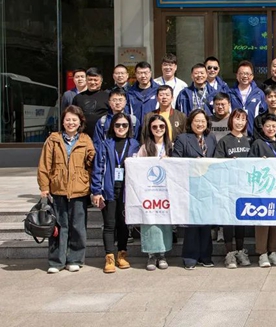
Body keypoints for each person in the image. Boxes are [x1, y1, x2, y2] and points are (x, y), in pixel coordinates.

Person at [37, 105, 95, 273]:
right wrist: (44, 187)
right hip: (58, 189)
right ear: (62, 122)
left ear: (80, 122)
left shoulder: (85, 139)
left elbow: (92, 164)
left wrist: (89, 180)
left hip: (79, 190)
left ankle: (75, 259)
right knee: (58, 227)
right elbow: (44, 165)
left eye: (74, 120)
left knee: (78, 227)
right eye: (67, 119)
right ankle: (56, 261)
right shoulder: (53, 139)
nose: (71, 123)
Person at [91, 112, 140, 273]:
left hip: (127, 191)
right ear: (112, 127)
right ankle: (109, 257)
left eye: (124, 125)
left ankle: (122, 254)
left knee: (124, 224)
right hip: (109, 190)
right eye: (118, 125)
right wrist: (96, 191)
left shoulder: (134, 144)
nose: (121, 128)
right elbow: (98, 169)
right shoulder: (105, 144)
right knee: (109, 225)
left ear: (129, 127)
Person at [172, 109, 218, 269]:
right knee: (192, 224)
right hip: (190, 185)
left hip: (207, 185)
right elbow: (176, 161)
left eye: (203, 121)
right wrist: (193, 163)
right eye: (197, 121)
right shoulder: (183, 138)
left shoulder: (211, 138)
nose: (200, 124)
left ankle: (205, 256)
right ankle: (190, 257)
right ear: (190, 122)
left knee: (205, 223)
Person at [214, 108, 253, 269]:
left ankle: (240, 251)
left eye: (243, 119)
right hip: (228, 187)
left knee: (240, 220)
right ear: (231, 120)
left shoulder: (249, 140)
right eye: (237, 118)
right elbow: (217, 163)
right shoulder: (224, 141)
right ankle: (229, 253)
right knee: (229, 220)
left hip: (244, 186)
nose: (240, 122)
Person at [137, 114, 174, 271]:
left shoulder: (171, 147)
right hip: (149, 192)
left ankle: (162, 254)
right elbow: (137, 168)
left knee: (164, 222)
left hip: (167, 191)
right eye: (155, 127)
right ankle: (151, 255)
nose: (158, 129)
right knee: (150, 223)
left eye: (161, 126)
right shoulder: (145, 148)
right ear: (150, 129)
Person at [248, 113, 276, 268]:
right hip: (262, 188)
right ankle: (262, 253)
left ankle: (273, 251)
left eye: (274, 126)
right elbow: (249, 164)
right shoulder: (257, 143)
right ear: (262, 128)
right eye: (267, 126)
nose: (271, 129)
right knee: (263, 220)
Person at [229, 61, 266, 136]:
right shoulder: (230, 93)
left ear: (252, 76)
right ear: (237, 76)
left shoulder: (259, 94)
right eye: (242, 73)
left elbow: (264, 113)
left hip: (253, 134)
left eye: (247, 74)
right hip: (234, 134)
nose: (245, 76)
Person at [72, 67, 111, 138]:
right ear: (86, 80)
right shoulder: (78, 97)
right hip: (82, 137)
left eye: (95, 80)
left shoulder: (108, 97)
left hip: (102, 136)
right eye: (90, 79)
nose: (92, 82)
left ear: (101, 80)